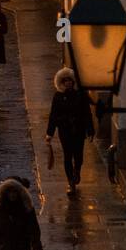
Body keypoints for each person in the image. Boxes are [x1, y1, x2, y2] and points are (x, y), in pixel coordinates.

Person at [45, 67, 94, 195]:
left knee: (78, 155)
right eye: (65, 81)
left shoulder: (81, 95)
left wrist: (90, 131)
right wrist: (49, 133)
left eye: (70, 80)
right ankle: (71, 183)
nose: (68, 83)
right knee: (67, 156)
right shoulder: (58, 97)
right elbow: (53, 115)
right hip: (65, 130)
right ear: (61, 82)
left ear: (73, 81)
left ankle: (77, 170)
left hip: (79, 130)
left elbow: (87, 113)